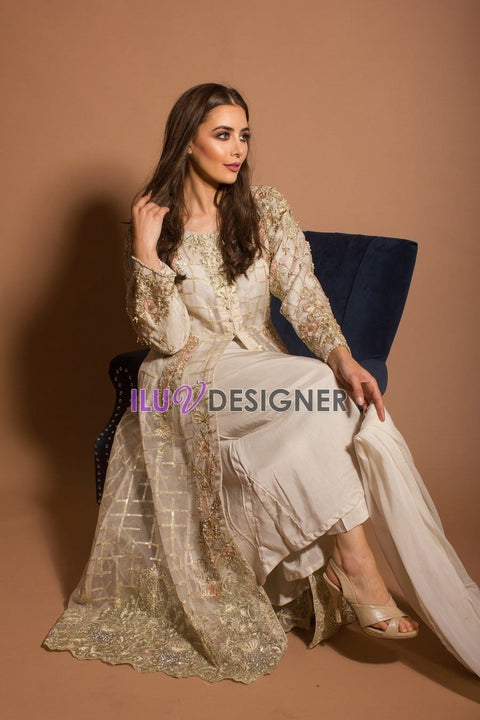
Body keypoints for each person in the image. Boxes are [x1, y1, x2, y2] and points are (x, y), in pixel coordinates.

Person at [42, 83, 480, 683]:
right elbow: (166, 336)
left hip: (260, 366)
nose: (237, 149)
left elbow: (303, 296)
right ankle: (356, 565)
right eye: (223, 135)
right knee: (316, 389)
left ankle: (344, 564)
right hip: (182, 381)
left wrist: (343, 357)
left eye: (244, 135)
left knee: (323, 401)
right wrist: (145, 250)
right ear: (187, 141)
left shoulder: (264, 209)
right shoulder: (154, 221)